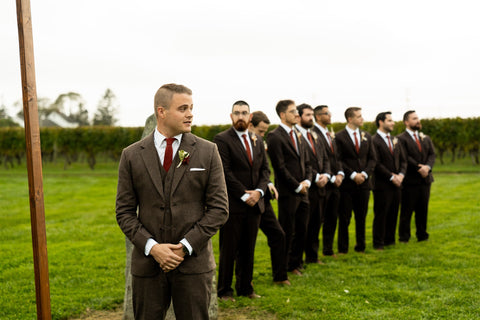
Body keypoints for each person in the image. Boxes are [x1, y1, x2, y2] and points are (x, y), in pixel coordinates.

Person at [116, 83, 229, 320]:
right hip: (147, 267)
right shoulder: (132, 155)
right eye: (183, 108)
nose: (190, 114)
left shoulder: (208, 151)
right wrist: (153, 248)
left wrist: (185, 247)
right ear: (162, 111)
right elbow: (124, 212)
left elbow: (219, 209)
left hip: (194, 266)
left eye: (191, 108)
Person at [214, 101, 270, 300]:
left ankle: (246, 288)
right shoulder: (222, 140)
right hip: (234, 205)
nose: (240, 116)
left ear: (250, 116)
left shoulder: (256, 139)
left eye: (244, 113)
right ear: (231, 116)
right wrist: (245, 195)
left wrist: (259, 192)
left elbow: (265, 170)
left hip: (256, 204)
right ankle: (224, 290)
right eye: (236, 113)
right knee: (229, 249)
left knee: (249, 248)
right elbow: (225, 172)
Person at [266, 100, 312, 276]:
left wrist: (307, 182)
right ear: (283, 115)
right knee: (287, 230)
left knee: (302, 229)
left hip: (304, 191)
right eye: (294, 112)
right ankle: (283, 266)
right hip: (288, 193)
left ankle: (295, 264)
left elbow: (307, 162)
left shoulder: (298, 134)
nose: (298, 115)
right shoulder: (275, 136)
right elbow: (280, 167)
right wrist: (296, 186)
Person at [248, 111, 291, 285]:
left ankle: (280, 277)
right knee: (244, 245)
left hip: (263, 198)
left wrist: (268, 183)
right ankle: (241, 284)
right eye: (261, 131)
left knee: (278, 234)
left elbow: (264, 169)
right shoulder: (236, 142)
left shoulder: (258, 143)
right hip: (245, 199)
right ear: (250, 126)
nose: (263, 135)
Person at [335, 107, 376, 254]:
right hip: (347, 184)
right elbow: (338, 160)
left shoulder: (367, 136)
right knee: (345, 217)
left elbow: (372, 159)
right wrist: (352, 175)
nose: (362, 119)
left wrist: (364, 174)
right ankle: (343, 248)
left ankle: (361, 246)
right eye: (359, 116)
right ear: (350, 119)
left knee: (361, 216)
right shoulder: (339, 137)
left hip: (364, 184)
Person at [296, 104, 330, 264]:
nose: (310, 118)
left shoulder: (315, 135)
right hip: (308, 186)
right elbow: (305, 163)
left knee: (317, 222)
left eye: (311, 115)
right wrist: (316, 178)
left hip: (321, 186)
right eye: (307, 115)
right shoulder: (297, 136)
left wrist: (327, 175)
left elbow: (325, 158)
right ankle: (299, 258)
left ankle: (312, 256)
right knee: (305, 225)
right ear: (300, 117)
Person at [397, 110, 435, 242]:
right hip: (410, 181)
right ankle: (404, 237)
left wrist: (428, 167)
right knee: (406, 211)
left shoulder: (426, 138)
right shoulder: (400, 139)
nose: (418, 121)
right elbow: (405, 157)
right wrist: (420, 167)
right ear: (406, 122)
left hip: (425, 180)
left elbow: (432, 154)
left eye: (418, 118)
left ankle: (422, 235)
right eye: (414, 119)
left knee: (423, 209)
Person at [372, 112, 407, 249]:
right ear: (381, 122)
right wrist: (392, 177)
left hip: (398, 183)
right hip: (382, 184)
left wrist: (401, 175)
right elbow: (376, 163)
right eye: (390, 120)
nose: (393, 123)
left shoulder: (395, 140)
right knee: (381, 214)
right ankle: (378, 243)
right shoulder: (374, 141)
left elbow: (403, 161)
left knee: (394, 212)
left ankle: (390, 241)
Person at [312, 105, 344, 257]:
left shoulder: (330, 133)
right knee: (319, 219)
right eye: (326, 113)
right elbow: (318, 159)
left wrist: (340, 174)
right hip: (323, 182)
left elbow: (336, 157)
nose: (330, 115)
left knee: (332, 217)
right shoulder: (313, 133)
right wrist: (330, 176)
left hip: (336, 183)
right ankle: (313, 252)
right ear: (318, 116)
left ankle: (328, 249)